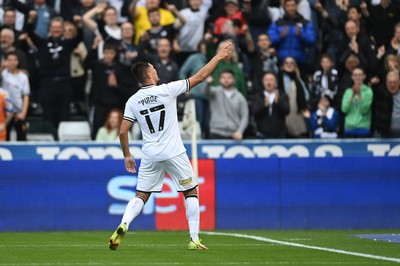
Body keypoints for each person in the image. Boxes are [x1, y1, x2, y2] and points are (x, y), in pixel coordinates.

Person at [107, 41, 232, 251]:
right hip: (173, 151)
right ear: (148, 75)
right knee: (191, 191)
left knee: (141, 196)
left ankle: (125, 223)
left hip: (150, 154)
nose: (156, 71)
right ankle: (194, 239)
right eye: (153, 69)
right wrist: (218, 57)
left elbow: (122, 131)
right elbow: (200, 76)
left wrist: (127, 155)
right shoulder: (167, 90)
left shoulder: (133, 101)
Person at [206, 69, 249, 140]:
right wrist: (208, 83)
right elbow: (206, 92)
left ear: (234, 80)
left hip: (234, 134)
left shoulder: (240, 97)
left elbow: (245, 116)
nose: (226, 80)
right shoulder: (214, 92)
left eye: (229, 77)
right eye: (224, 77)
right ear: (219, 79)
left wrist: (240, 131)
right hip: (216, 132)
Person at [251, 71, 290, 139]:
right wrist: (264, 105)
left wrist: (278, 102)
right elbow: (254, 112)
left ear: (275, 82)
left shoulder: (282, 95)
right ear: (263, 82)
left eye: (271, 80)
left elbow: (286, 111)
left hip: (279, 134)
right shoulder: (257, 96)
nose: (269, 82)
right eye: (266, 80)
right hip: (262, 134)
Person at [2, 52, 30, 141]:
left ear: (18, 62)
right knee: (5, 138)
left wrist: (23, 113)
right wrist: (2, 66)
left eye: (14, 60)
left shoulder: (23, 76)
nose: (12, 62)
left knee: (22, 137)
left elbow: (26, 95)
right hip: (5, 113)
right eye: (9, 60)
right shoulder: (3, 74)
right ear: (5, 61)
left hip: (19, 111)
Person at [341, 67, 373, 138]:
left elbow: (364, 110)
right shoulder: (348, 92)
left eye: (360, 75)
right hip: (349, 128)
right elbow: (344, 109)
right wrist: (352, 96)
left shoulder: (368, 91)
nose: (357, 77)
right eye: (355, 75)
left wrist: (359, 94)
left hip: (363, 128)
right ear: (352, 77)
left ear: (364, 76)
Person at [373, 71, 400, 138]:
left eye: (395, 82)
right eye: (390, 82)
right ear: (386, 83)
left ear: (399, 82)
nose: (392, 85)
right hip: (384, 132)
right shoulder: (380, 96)